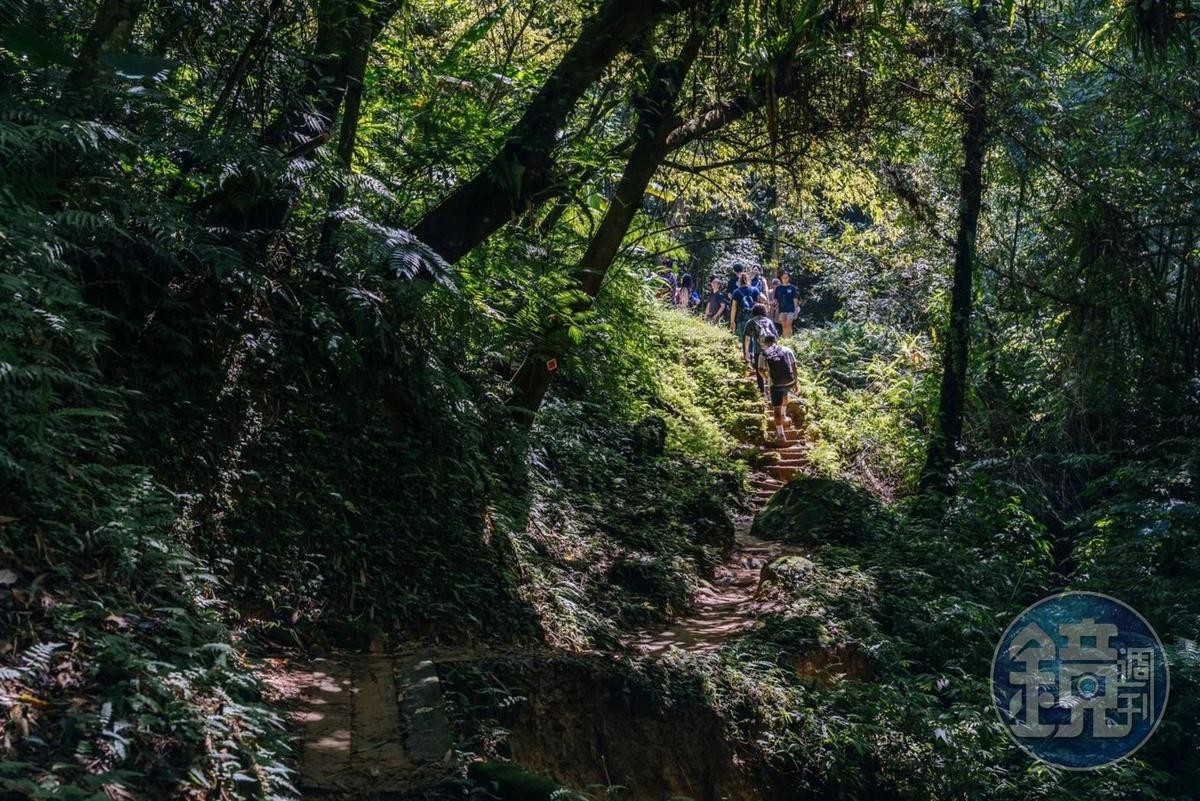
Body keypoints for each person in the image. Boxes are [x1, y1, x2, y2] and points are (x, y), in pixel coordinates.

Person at [756, 332, 797, 442]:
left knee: (776, 409)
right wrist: (795, 382)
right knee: (785, 395)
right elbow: (793, 366)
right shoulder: (787, 350)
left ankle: (781, 435)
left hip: (775, 384)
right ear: (776, 340)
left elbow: (760, 370)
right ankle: (784, 415)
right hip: (788, 381)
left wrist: (767, 378)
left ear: (765, 343)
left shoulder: (763, 354)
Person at [742, 303, 779, 396]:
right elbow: (776, 337)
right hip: (771, 350)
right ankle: (772, 389)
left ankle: (762, 391)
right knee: (771, 370)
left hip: (758, 350)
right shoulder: (769, 321)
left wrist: (746, 352)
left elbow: (747, 338)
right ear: (764, 311)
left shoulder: (751, 322)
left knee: (759, 371)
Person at [729, 273, 757, 337]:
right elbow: (761, 301)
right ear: (748, 280)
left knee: (744, 339)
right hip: (754, 318)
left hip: (742, 318)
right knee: (754, 338)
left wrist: (732, 321)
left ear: (739, 281)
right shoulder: (755, 290)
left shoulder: (736, 292)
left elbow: (734, 308)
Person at [773, 271, 799, 338]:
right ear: (781, 278)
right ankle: (785, 339)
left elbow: (795, 300)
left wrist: (795, 311)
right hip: (782, 309)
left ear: (789, 278)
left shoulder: (792, 288)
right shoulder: (778, 288)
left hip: (791, 309)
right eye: (783, 278)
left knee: (788, 325)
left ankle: (789, 339)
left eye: (786, 278)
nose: (785, 279)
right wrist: (774, 304)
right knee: (784, 326)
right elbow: (775, 298)